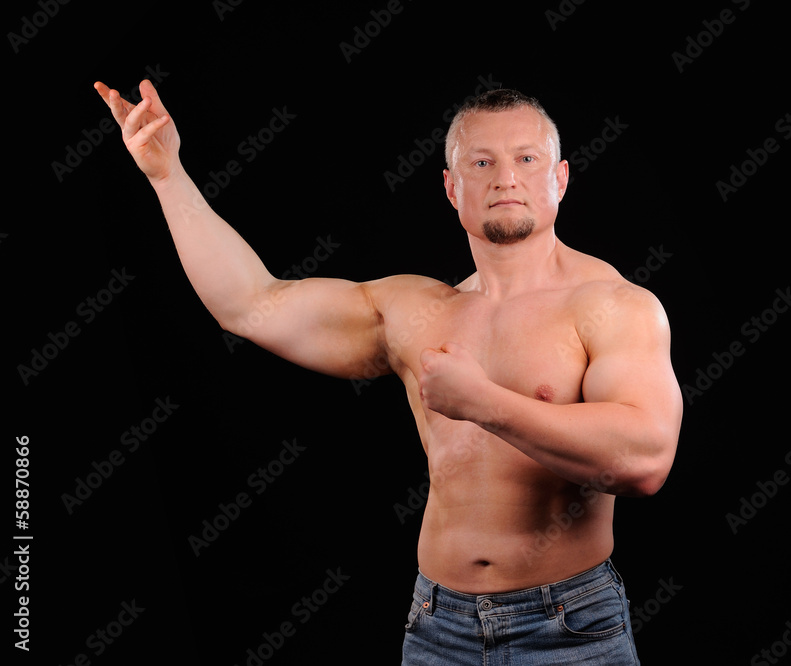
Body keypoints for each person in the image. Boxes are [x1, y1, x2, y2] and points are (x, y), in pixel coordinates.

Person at [94, 79, 683, 664]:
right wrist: (168, 176)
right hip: (438, 627)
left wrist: (485, 403)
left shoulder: (613, 305)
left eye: (527, 158)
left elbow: (643, 462)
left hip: (566, 627)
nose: (506, 177)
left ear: (559, 180)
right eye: (482, 161)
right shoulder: (420, 310)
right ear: (452, 189)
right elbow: (250, 304)